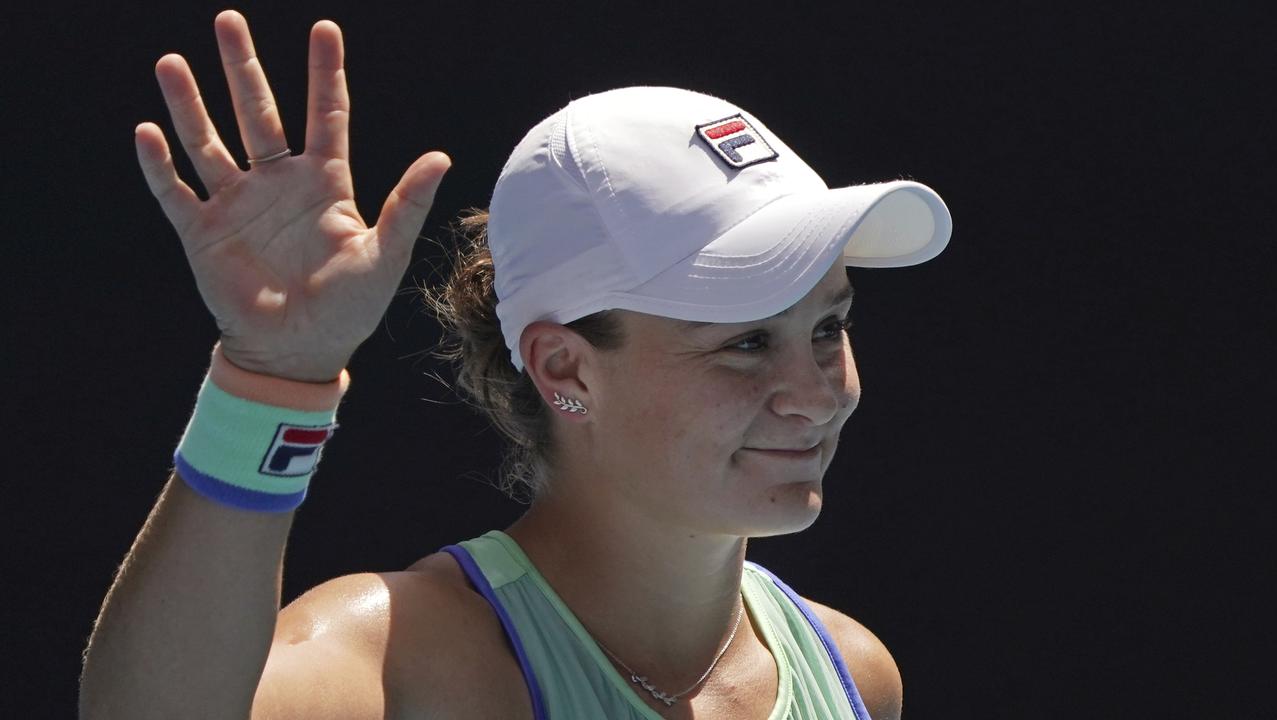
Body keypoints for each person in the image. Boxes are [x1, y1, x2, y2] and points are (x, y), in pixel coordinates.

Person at [78, 10, 951, 720]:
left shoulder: (859, 675)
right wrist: (272, 376)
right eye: (746, 342)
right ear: (566, 369)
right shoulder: (406, 661)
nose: (815, 395)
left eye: (829, 329)